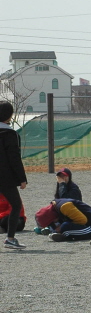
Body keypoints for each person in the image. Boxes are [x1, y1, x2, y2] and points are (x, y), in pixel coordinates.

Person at [0, 101, 27, 250]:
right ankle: (10, 238)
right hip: (6, 178)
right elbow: (14, 158)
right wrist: (22, 179)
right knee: (16, 205)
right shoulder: (10, 134)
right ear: (10, 115)